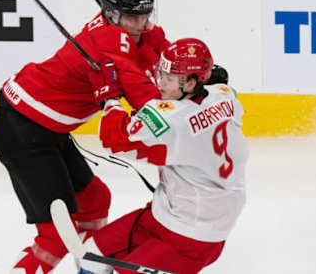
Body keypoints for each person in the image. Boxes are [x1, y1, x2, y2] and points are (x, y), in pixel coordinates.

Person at [0, 0, 169, 273]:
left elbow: (167, 60)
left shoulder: (129, 31)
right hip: (23, 131)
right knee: (55, 239)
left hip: (46, 128)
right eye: (133, 17)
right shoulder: (109, 43)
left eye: (145, 15)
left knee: (96, 200)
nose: (142, 24)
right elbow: (145, 98)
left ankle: (88, 268)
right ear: (111, 14)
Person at [75, 38, 249, 274]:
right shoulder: (223, 95)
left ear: (191, 83)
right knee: (91, 255)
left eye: (169, 78)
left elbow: (114, 141)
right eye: (162, 74)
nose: (161, 83)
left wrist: (110, 99)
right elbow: (225, 89)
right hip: (165, 212)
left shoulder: (173, 123)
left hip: (193, 236)